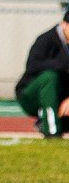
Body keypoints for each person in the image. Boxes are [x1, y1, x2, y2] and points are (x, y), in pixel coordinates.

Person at [16, 9, 69, 138]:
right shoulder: (45, 40)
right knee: (50, 77)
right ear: (64, 24)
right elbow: (32, 67)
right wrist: (63, 64)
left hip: (62, 96)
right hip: (31, 94)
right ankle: (52, 130)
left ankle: (47, 120)